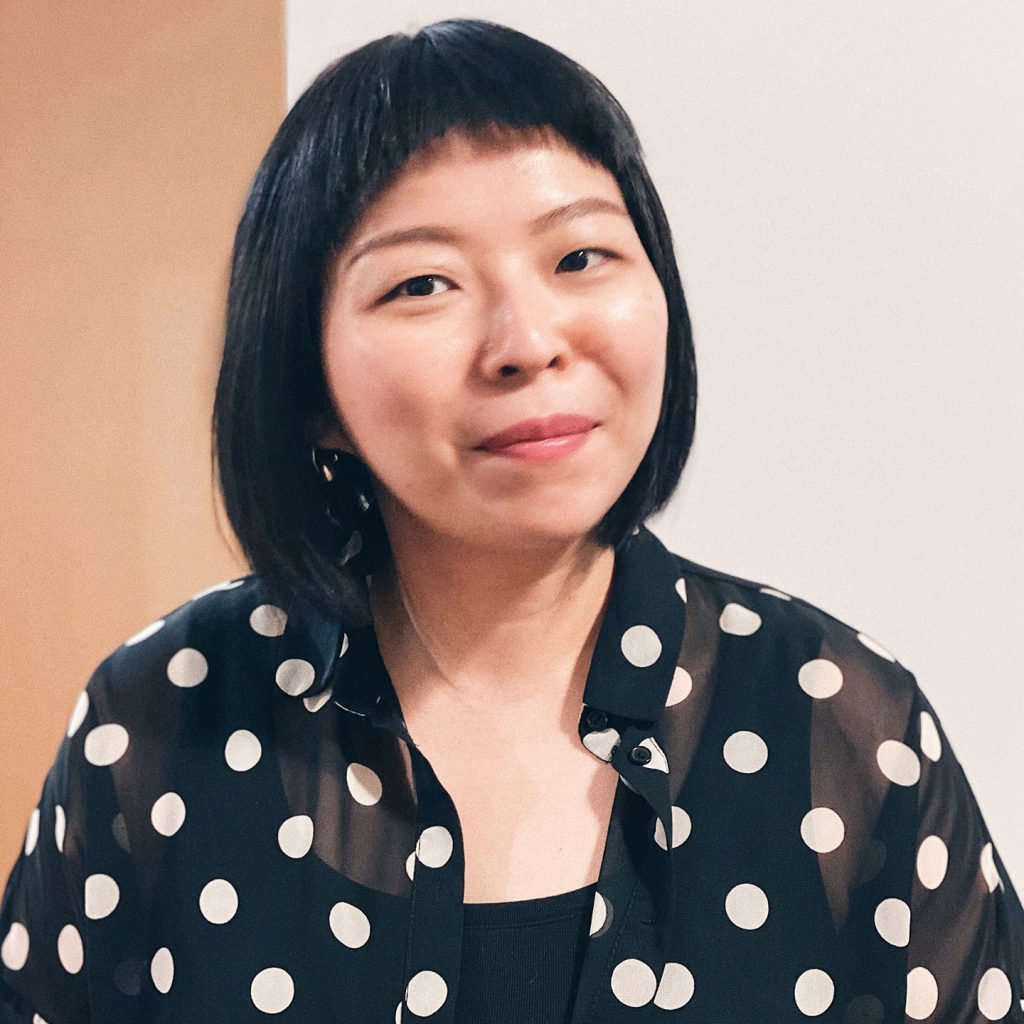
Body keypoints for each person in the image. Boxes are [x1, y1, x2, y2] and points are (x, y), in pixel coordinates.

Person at [1, 16, 1022, 1024]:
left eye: (579, 257)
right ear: (309, 387)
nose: (526, 342)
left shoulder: (839, 723)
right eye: (422, 284)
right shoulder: (162, 718)